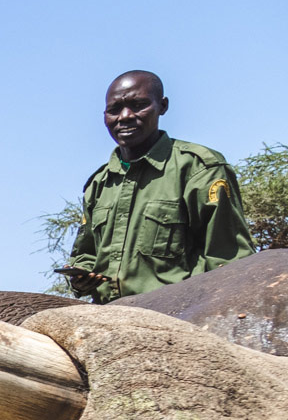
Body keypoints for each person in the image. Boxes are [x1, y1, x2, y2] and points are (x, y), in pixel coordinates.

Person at [63, 70, 254, 303]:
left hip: (180, 315)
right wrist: (80, 277)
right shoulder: (99, 184)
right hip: (107, 319)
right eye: (114, 110)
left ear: (162, 106)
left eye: (138, 105)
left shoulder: (199, 169)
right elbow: (85, 256)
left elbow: (228, 261)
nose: (125, 116)